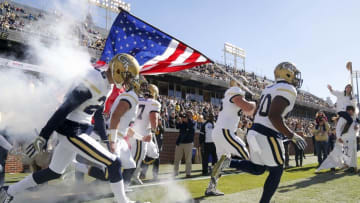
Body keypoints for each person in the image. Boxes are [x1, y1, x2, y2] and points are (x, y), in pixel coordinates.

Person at [0, 53, 140, 203]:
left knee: (54, 172)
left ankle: (8, 191)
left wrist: (106, 139)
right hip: (72, 131)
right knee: (114, 163)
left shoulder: (108, 85)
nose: (128, 81)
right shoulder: (94, 80)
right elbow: (64, 108)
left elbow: (97, 115)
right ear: (118, 70)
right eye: (127, 76)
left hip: (79, 130)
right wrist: (44, 136)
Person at [208, 62, 305, 203]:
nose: (296, 78)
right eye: (294, 74)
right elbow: (274, 116)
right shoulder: (288, 88)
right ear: (287, 73)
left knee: (258, 168)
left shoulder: (268, 88)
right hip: (267, 133)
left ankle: (228, 163)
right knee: (277, 170)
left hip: (254, 131)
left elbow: (258, 112)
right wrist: (292, 135)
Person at [205, 79, 256, 196]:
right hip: (225, 131)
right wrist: (254, 103)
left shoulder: (230, 93)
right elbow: (248, 109)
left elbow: (247, 110)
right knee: (243, 150)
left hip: (220, 131)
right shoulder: (235, 91)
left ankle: (211, 188)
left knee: (222, 162)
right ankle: (256, 167)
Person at [129, 83, 161, 185]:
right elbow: (153, 118)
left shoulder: (137, 99)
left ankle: (137, 173)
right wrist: (154, 129)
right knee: (139, 156)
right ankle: (132, 176)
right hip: (143, 134)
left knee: (154, 153)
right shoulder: (154, 103)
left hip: (134, 130)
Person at [173, 111, 196, 178]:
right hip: (180, 142)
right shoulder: (182, 122)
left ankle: (188, 173)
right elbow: (177, 127)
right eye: (183, 116)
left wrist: (186, 121)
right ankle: (175, 172)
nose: (184, 117)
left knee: (188, 159)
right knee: (177, 159)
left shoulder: (192, 122)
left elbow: (191, 125)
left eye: (186, 116)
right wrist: (178, 121)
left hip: (188, 143)